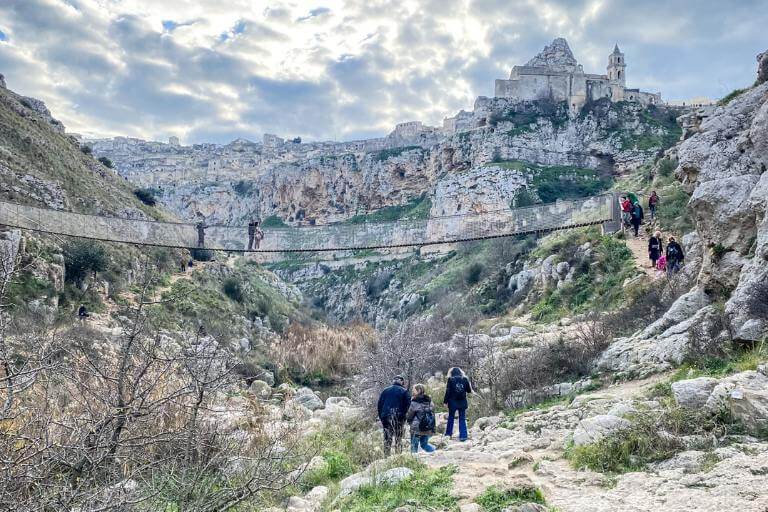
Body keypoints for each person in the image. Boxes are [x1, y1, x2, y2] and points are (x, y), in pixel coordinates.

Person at [377, 375, 411, 455]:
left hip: (385, 417)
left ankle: (386, 456)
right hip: (399, 417)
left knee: (387, 438)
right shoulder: (404, 391)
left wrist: (381, 416)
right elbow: (408, 405)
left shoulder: (385, 390)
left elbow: (379, 405)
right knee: (398, 438)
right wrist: (404, 416)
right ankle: (398, 456)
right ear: (402, 382)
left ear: (393, 381)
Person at [443, 367, 472, 442]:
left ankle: (448, 434)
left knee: (451, 418)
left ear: (451, 373)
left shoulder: (450, 379)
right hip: (462, 402)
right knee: (462, 418)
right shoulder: (465, 379)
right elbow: (469, 391)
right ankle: (463, 436)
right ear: (460, 372)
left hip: (452, 402)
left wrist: (445, 402)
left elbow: (448, 392)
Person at [406, 384, 436, 454]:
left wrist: (409, 421)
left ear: (418, 391)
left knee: (414, 446)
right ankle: (434, 453)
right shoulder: (429, 401)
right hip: (427, 427)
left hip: (417, 428)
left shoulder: (414, 402)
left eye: (414, 390)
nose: (412, 392)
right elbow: (432, 414)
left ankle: (413, 461)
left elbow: (410, 415)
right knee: (424, 444)